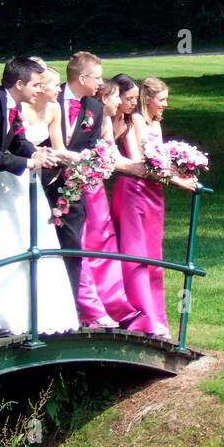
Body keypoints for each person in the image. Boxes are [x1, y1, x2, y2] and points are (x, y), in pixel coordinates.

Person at [0, 59, 78, 335]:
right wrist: (26, 163)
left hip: (23, 180)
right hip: (3, 182)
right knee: (5, 237)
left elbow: (18, 139)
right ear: (20, 84)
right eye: (36, 84)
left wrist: (35, 153)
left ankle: (38, 311)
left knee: (33, 236)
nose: (40, 89)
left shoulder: (12, 104)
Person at [114, 76, 197, 339]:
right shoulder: (136, 120)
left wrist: (183, 167)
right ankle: (140, 317)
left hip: (154, 191)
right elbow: (143, 163)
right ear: (147, 99)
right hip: (135, 190)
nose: (165, 104)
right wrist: (178, 180)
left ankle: (156, 319)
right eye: (161, 100)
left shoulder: (155, 124)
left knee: (154, 255)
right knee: (136, 252)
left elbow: (158, 160)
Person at [76, 75, 143, 328]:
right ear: (105, 98)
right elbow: (107, 157)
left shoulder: (109, 118)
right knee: (95, 242)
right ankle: (93, 309)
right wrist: (138, 168)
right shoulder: (95, 119)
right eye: (119, 97)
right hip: (88, 186)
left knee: (104, 241)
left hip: (97, 187)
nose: (125, 103)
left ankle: (113, 303)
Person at [44, 52, 107, 301]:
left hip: (72, 189)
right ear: (82, 78)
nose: (101, 83)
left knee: (72, 246)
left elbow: (90, 146)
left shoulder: (95, 108)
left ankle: (69, 307)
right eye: (98, 78)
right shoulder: (49, 97)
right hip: (43, 183)